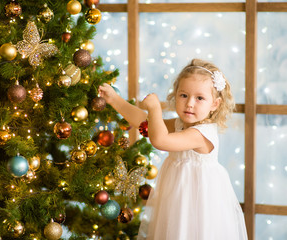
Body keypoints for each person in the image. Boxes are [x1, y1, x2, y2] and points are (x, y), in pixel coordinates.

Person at [98, 58, 248, 240]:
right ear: (176, 94)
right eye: (184, 95)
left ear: (214, 104)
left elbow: (160, 140)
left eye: (200, 98)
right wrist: (114, 99)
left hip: (197, 204)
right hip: (178, 196)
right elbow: (144, 123)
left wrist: (155, 109)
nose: (190, 103)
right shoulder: (180, 123)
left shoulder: (201, 134)